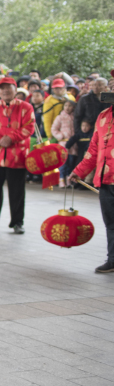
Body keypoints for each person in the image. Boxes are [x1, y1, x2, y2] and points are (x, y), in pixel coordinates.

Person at [0, 76, 35, 234]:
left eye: (8, 88)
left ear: (15, 90)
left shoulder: (26, 107)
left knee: (17, 192)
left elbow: (29, 127)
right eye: (2, 88)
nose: (5, 91)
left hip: (17, 157)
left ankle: (17, 222)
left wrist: (11, 138)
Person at [68, 103, 114, 272]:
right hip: (105, 178)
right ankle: (113, 260)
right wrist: (79, 171)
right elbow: (94, 148)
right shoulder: (103, 115)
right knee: (111, 223)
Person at [60, 120, 93, 187]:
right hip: (80, 152)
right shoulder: (79, 134)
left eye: (86, 126)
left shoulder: (92, 134)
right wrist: (67, 146)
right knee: (78, 164)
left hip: (89, 152)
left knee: (89, 168)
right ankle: (77, 182)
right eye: (83, 126)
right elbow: (73, 139)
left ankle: (87, 183)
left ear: (91, 127)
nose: (84, 128)